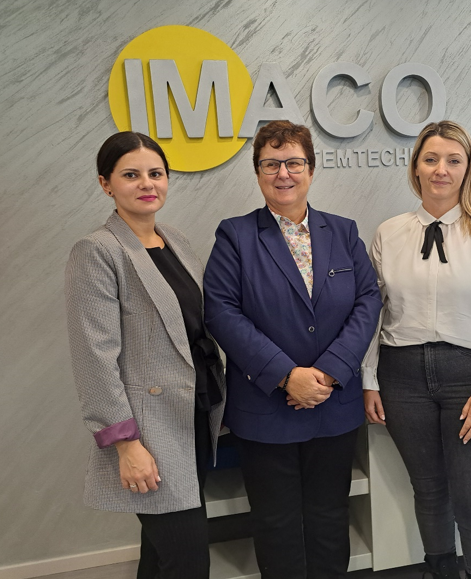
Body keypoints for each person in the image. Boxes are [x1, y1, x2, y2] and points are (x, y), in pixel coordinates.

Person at [203, 120, 382, 579]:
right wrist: (287, 375)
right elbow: (221, 312)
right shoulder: (235, 236)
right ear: (258, 172)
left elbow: (368, 300)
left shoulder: (343, 232)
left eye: (294, 163)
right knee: (276, 523)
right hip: (267, 408)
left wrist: (329, 372)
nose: (283, 173)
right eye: (271, 164)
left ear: (311, 169)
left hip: (332, 403)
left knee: (329, 517)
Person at [362, 121, 471, 579]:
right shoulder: (389, 233)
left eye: (453, 160)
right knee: (429, 491)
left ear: (467, 168)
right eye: (431, 159)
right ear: (415, 167)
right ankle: (440, 572)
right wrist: (368, 380)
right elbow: (372, 314)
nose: (441, 170)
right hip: (402, 376)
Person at [65, 132, 226, 579]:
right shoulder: (97, 250)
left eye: (155, 173)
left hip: (194, 415)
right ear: (106, 184)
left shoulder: (174, 240)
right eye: (131, 175)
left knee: (160, 556)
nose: (146, 184)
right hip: (149, 430)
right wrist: (126, 443)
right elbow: (94, 356)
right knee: (187, 561)